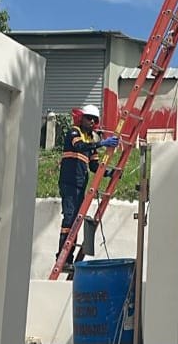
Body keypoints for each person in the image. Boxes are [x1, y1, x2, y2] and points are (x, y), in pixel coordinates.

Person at [57, 104, 119, 265]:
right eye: (88, 118)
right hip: (69, 182)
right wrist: (102, 143)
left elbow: (93, 166)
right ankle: (62, 257)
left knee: (76, 220)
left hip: (80, 184)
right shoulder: (74, 132)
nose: (91, 121)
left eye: (94, 119)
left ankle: (68, 257)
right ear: (81, 118)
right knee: (70, 217)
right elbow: (78, 146)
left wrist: (110, 173)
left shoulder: (91, 139)